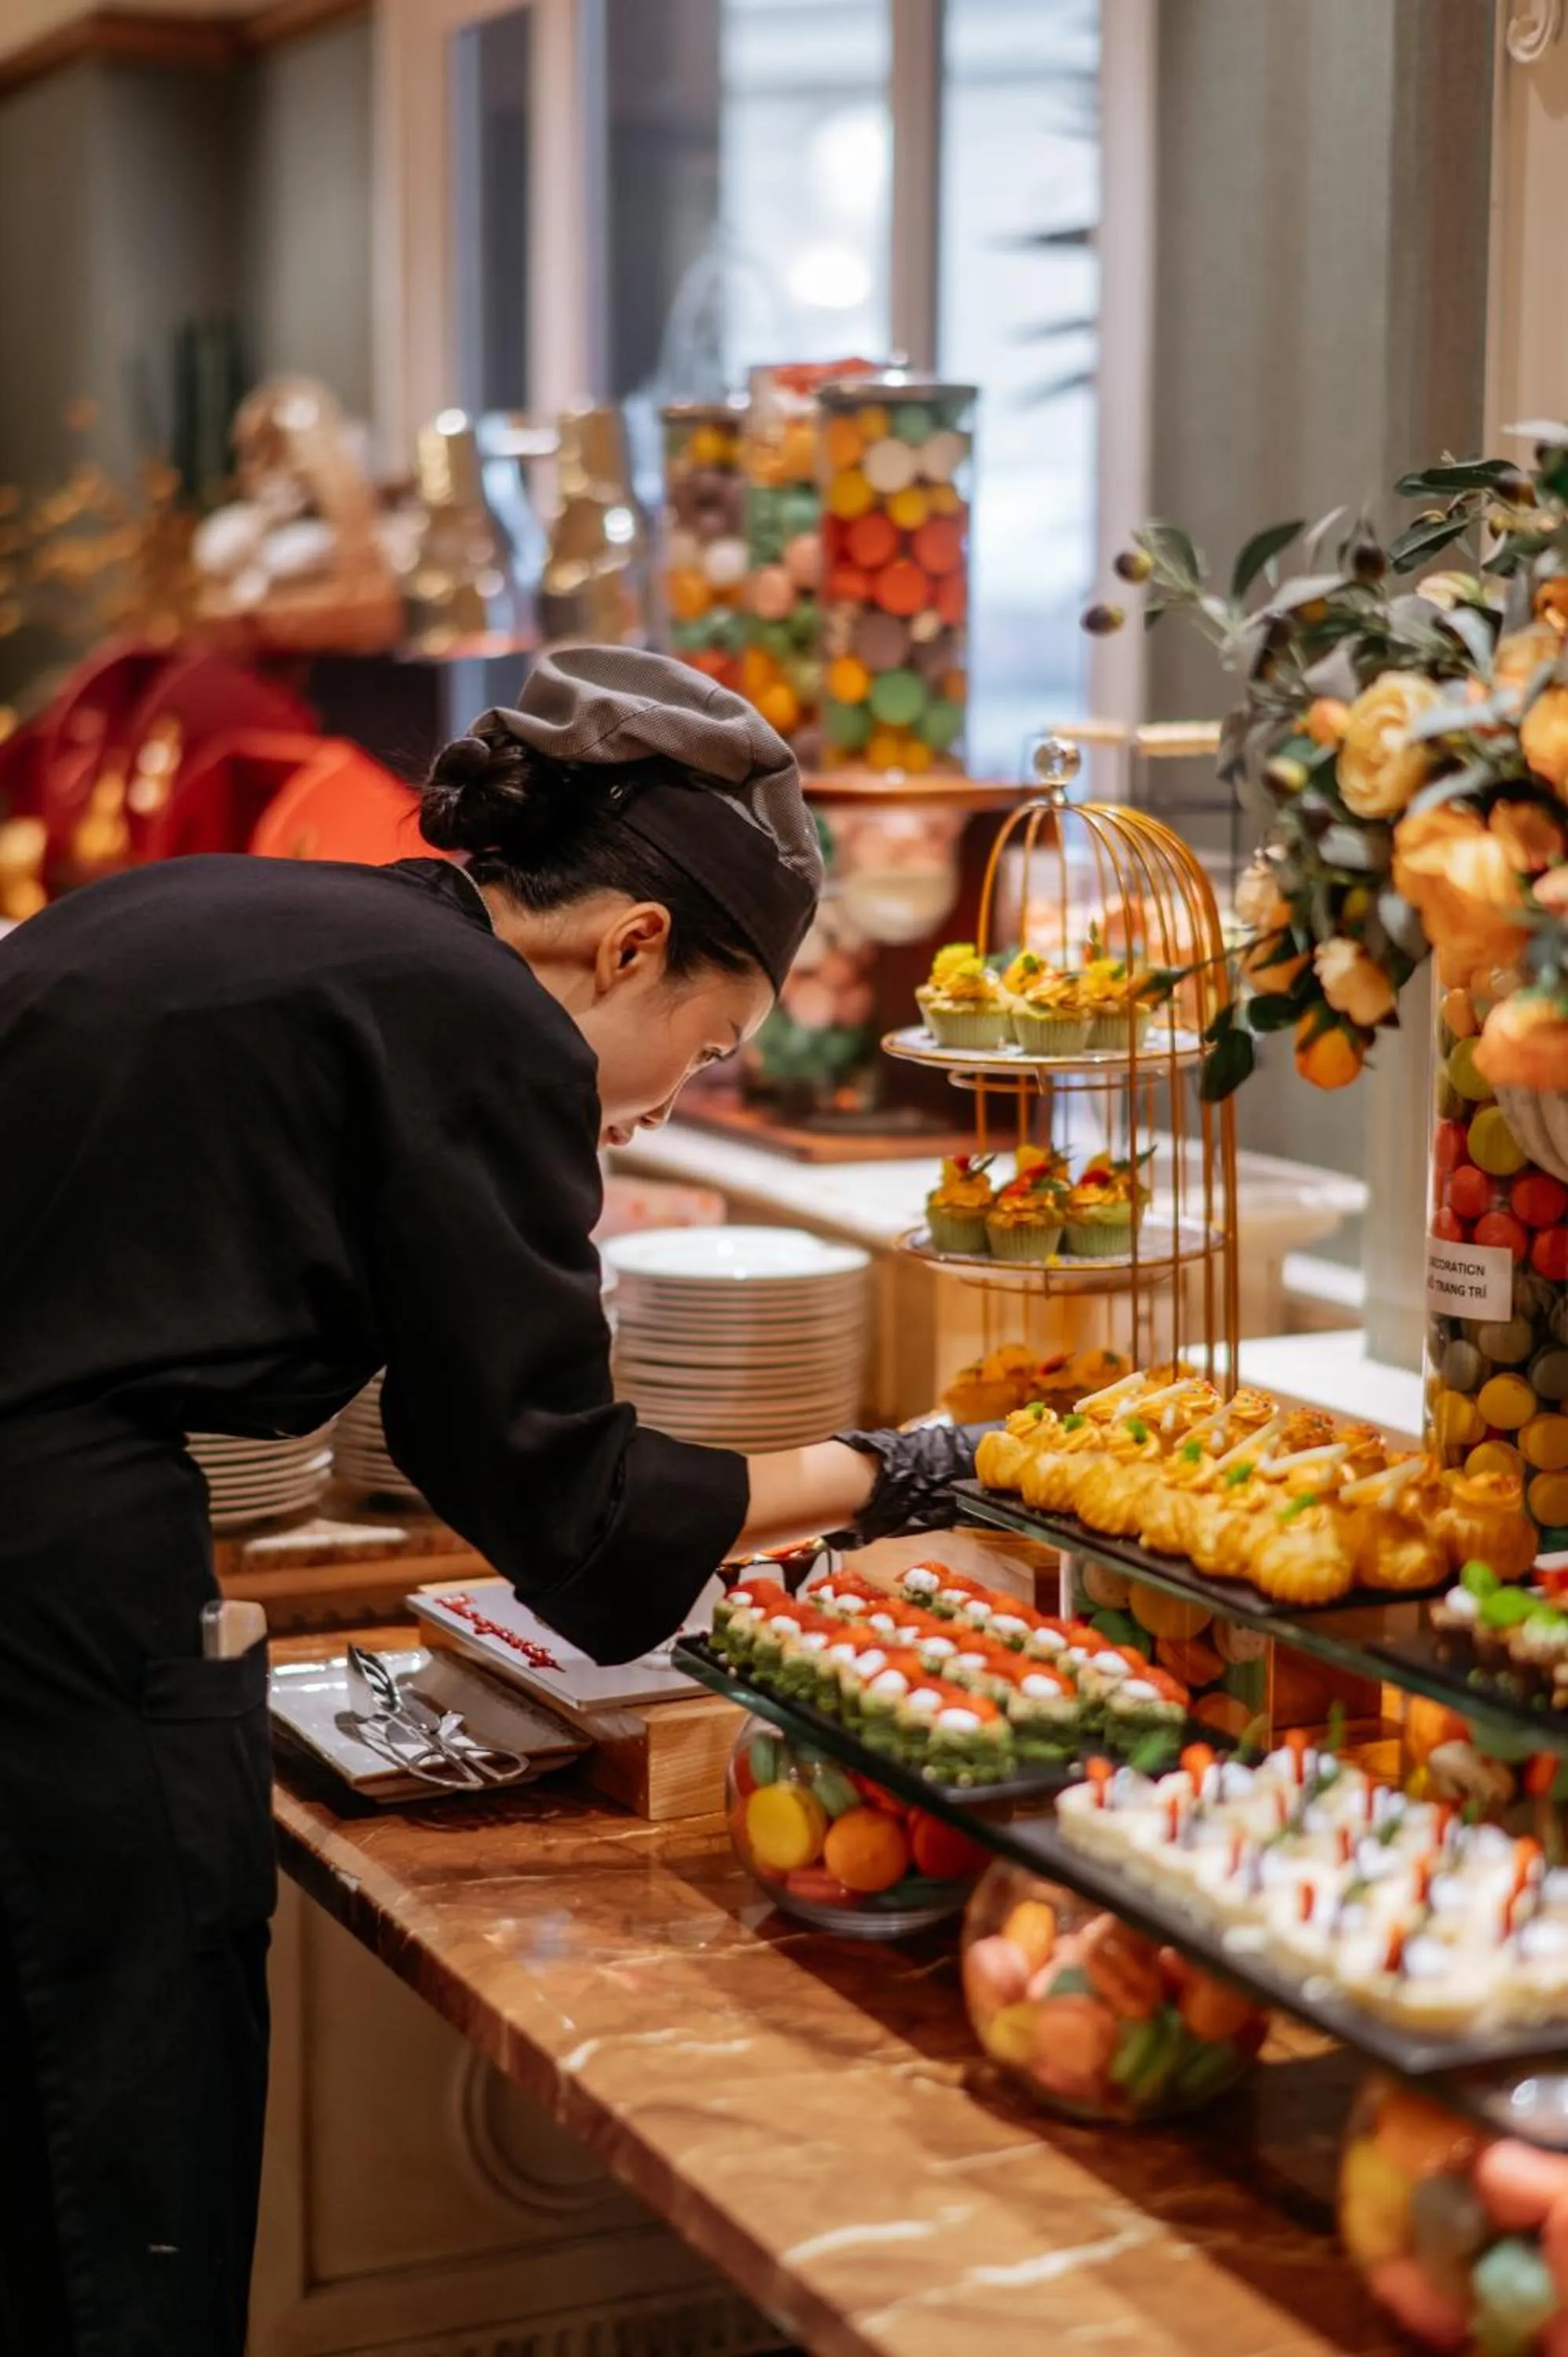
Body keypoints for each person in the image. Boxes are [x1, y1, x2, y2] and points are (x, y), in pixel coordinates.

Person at [0, 647, 977, 2355]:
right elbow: (573, 1515)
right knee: (125, 2137)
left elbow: (470, 1431)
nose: (678, 1099)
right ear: (630, 947)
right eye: (709, 1044)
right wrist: (899, 1471)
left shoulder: (326, 933)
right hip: (48, 1587)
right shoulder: (478, 1031)